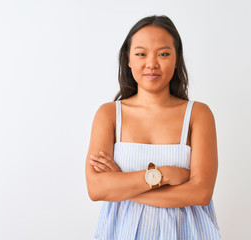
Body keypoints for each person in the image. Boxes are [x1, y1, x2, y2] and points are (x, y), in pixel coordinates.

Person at [85, 15, 221, 240]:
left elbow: (201, 193)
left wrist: (122, 185)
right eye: (140, 53)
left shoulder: (198, 114)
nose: (151, 63)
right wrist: (163, 174)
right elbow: (97, 189)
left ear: (177, 59)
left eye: (164, 54)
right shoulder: (109, 114)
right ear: (128, 59)